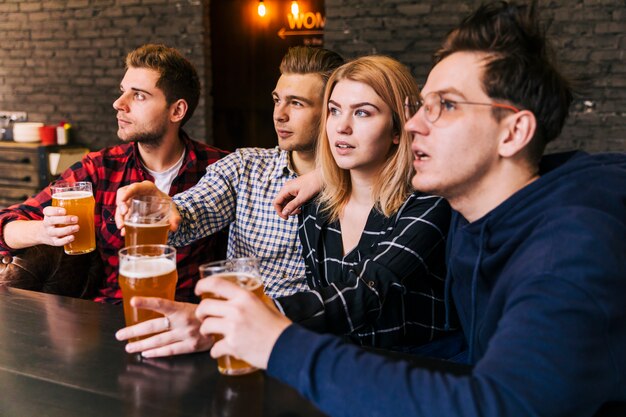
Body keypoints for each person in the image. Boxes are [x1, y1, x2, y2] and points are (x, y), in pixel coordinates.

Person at [194, 2, 626, 416]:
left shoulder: (566, 254)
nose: (415, 123)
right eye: (422, 105)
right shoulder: (484, 213)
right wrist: (328, 175)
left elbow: (496, 406)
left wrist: (276, 340)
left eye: (447, 106)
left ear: (513, 133)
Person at [113, 47, 344, 357]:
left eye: (297, 103)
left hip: (312, 345)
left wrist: (329, 176)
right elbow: (193, 210)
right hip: (234, 345)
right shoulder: (245, 167)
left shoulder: (362, 180)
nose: (280, 114)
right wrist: (166, 209)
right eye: (277, 100)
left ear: (334, 111)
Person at [0, 44, 228, 303]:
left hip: (190, 320)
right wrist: (44, 231)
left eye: (139, 95)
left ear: (177, 110)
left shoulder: (220, 168)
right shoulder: (99, 168)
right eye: (123, 92)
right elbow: (5, 222)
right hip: (113, 316)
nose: (119, 104)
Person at [271, 55, 460, 353]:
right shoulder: (315, 205)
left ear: (398, 129)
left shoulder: (428, 202)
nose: (342, 127)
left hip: (421, 371)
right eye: (334, 111)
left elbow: (369, 290)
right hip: (345, 366)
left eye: (362, 113)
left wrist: (261, 314)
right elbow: (326, 305)